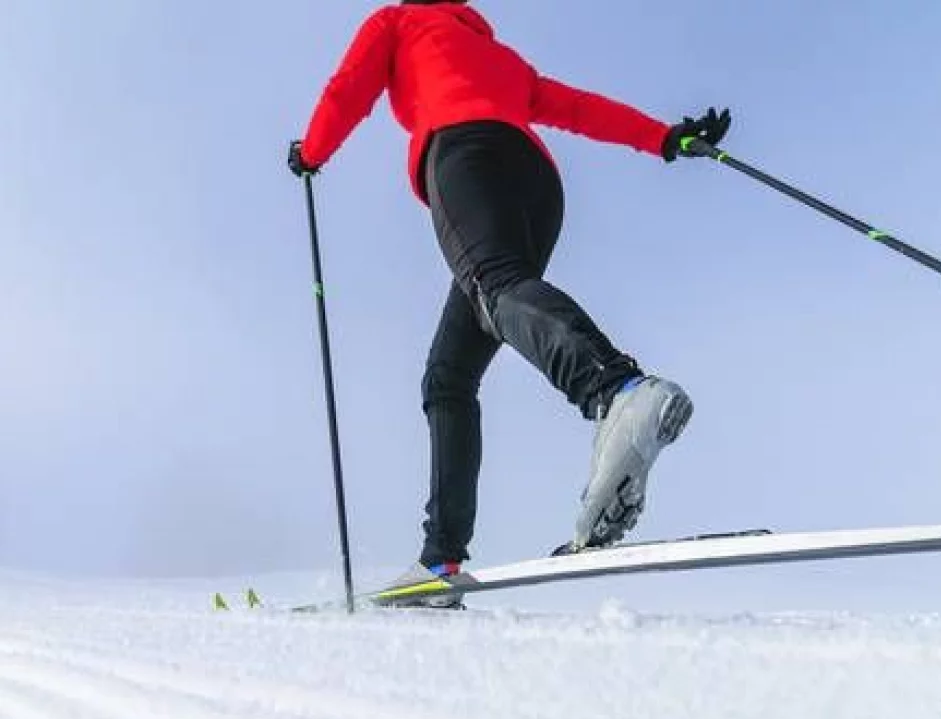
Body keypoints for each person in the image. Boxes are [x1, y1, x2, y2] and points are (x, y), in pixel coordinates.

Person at [288, 0, 731, 603]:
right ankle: (438, 562)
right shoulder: (498, 57)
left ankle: (617, 390)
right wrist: (662, 137)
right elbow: (577, 108)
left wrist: (311, 152)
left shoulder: (396, 22)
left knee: (493, 289)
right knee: (448, 375)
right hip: (537, 189)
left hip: (465, 158)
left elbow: (349, 89)